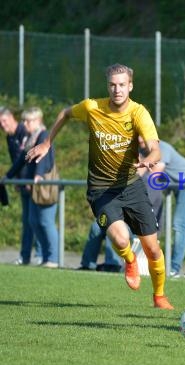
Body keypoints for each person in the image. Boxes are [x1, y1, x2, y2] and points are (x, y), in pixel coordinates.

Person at [25, 63, 174, 310]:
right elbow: (64, 114)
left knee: (153, 249)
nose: (117, 90)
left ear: (130, 86)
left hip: (132, 186)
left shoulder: (139, 113)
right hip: (101, 189)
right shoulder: (92, 107)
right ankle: (128, 260)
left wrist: (148, 159)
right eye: (113, 85)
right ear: (108, 86)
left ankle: (159, 296)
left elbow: (154, 146)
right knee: (121, 237)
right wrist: (47, 143)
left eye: (122, 85)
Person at [139, 137, 185, 280]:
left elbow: (154, 174)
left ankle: (173, 268)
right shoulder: (141, 150)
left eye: (142, 134)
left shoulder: (162, 147)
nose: (139, 139)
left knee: (179, 224)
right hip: (179, 187)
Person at [5, 107, 59, 267]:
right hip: (34, 187)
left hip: (44, 186)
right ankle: (45, 258)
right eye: (24, 120)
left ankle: (53, 258)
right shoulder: (30, 138)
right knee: (34, 221)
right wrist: (8, 176)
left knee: (45, 221)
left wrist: (39, 174)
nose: (24, 123)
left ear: (38, 121)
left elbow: (45, 158)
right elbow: (22, 160)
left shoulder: (43, 135)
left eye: (28, 120)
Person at [0, 106, 41, 265]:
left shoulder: (26, 132)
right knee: (27, 221)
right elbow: (16, 161)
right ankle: (25, 257)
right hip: (23, 184)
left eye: (4, 121)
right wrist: (16, 178)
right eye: (0, 123)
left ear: (11, 118)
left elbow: (29, 158)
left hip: (32, 184)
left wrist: (29, 179)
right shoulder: (9, 137)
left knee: (36, 220)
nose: (3, 125)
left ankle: (40, 254)